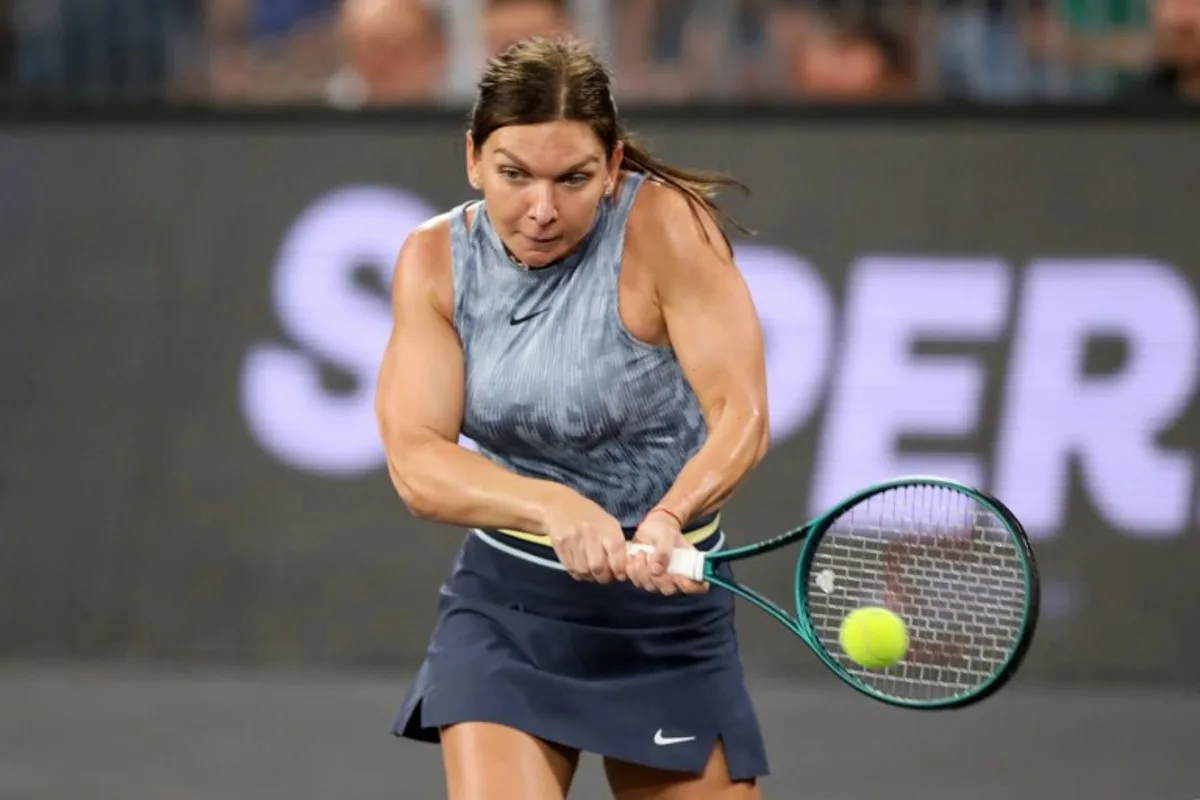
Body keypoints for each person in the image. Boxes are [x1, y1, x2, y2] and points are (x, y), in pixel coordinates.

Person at [375, 34, 770, 800]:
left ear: (614, 166)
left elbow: (742, 414)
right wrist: (553, 504)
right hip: (511, 607)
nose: (542, 209)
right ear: (472, 160)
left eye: (574, 178)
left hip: (666, 619)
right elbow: (417, 461)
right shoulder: (434, 260)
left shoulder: (668, 230)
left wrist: (667, 514)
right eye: (514, 175)